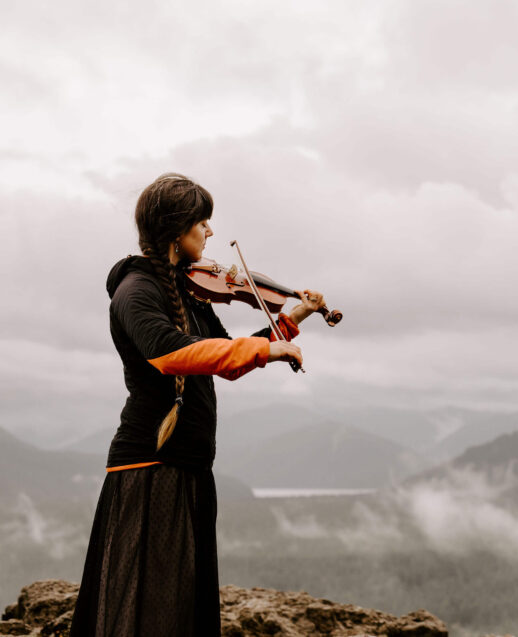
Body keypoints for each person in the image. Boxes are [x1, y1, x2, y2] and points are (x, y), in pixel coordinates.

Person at [70, 173, 326, 636]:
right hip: (149, 471)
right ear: (177, 228)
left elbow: (224, 359)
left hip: (187, 465)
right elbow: (172, 354)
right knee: (149, 614)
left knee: (181, 610)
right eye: (202, 223)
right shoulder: (136, 291)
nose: (209, 233)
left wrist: (289, 321)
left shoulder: (187, 292)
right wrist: (267, 350)